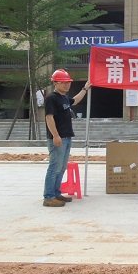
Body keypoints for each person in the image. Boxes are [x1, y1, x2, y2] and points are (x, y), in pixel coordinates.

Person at [43, 69, 91, 207]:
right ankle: (49, 197)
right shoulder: (51, 98)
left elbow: (75, 100)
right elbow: (49, 117)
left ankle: (56, 193)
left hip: (67, 137)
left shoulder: (64, 98)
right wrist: (55, 135)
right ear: (55, 83)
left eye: (68, 82)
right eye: (63, 82)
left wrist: (85, 89)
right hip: (58, 138)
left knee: (61, 167)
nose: (66, 85)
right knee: (54, 167)